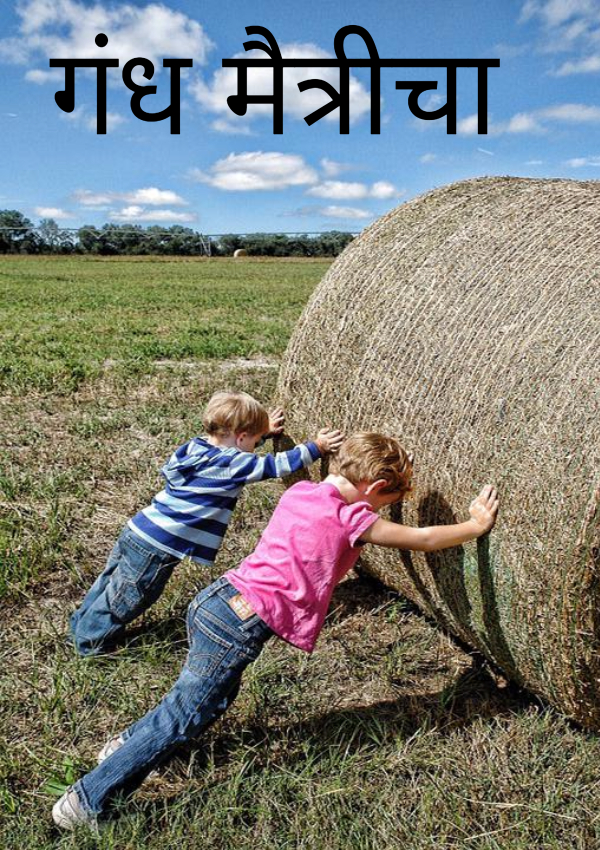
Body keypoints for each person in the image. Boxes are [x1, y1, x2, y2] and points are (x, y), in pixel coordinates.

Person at [53, 432, 499, 830]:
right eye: (389, 498)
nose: (384, 507)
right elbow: (422, 539)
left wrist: (366, 472)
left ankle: (127, 745)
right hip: (239, 624)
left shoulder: (301, 492)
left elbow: (343, 498)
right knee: (185, 714)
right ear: (376, 486)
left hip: (217, 600)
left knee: (206, 700)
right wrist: (475, 526)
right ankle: (86, 800)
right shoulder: (352, 521)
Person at [69, 390, 343, 656]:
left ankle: (82, 623)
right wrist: (316, 447)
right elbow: (275, 465)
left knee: (110, 581)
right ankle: (91, 644)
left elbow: (235, 451)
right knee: (130, 595)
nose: (256, 445)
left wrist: (261, 434)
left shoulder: (196, 446)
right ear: (241, 437)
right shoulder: (234, 464)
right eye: (255, 440)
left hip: (140, 528)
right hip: (159, 545)